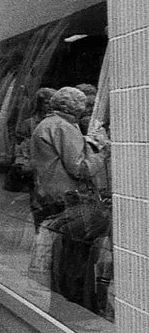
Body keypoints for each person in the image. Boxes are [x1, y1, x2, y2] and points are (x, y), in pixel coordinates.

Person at [29, 86, 106, 230]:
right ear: (77, 107)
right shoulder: (63, 127)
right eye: (87, 105)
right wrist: (101, 151)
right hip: (65, 197)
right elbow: (81, 169)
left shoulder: (48, 124)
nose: (87, 109)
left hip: (47, 193)